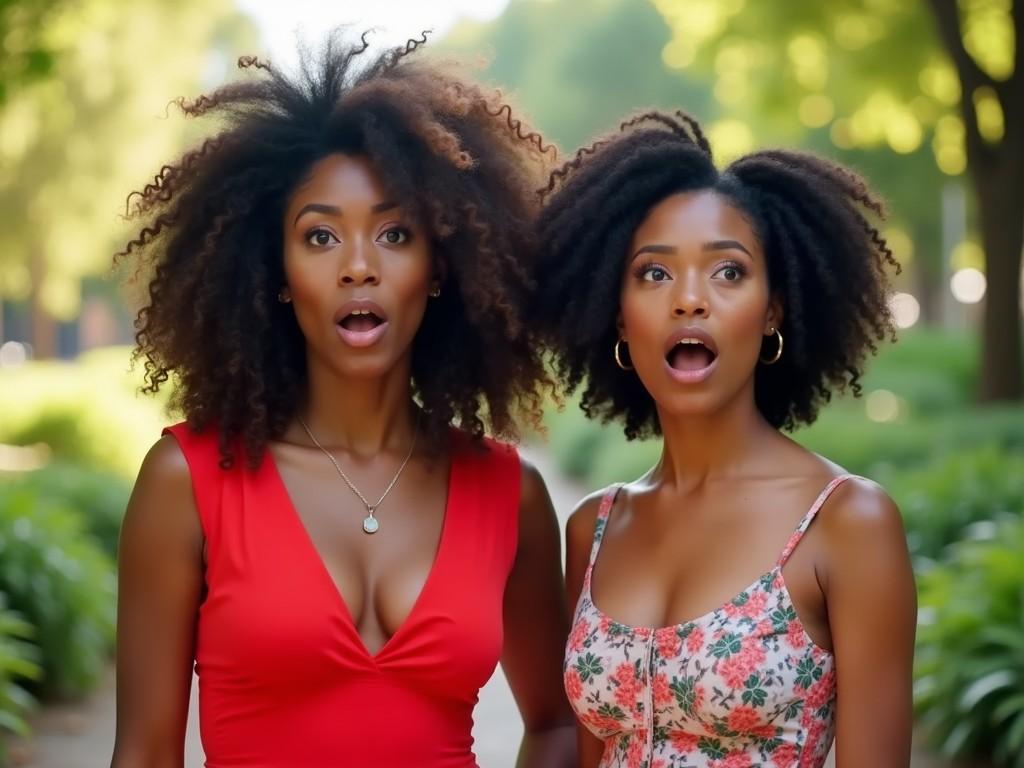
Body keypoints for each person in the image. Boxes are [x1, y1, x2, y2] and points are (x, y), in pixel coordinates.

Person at [111, 33, 575, 768]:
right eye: (320, 236)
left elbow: (557, 725)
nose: (359, 267)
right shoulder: (187, 482)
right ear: (278, 273)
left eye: (395, 233)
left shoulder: (508, 492)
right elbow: (143, 755)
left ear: (440, 267)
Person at [533, 111, 916, 767]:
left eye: (728, 272)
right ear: (616, 316)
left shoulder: (846, 522)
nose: (688, 300)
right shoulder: (592, 527)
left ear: (773, 309)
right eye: (653, 274)